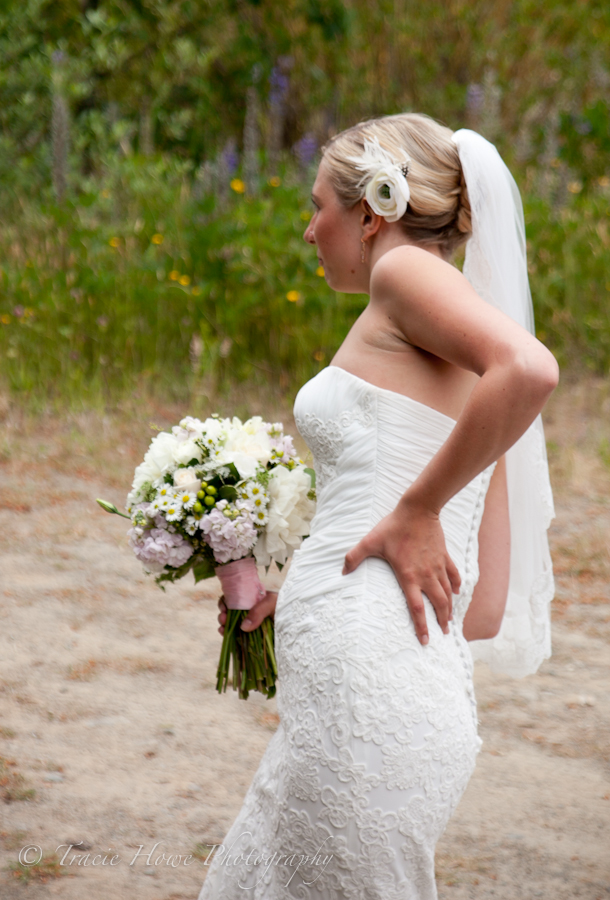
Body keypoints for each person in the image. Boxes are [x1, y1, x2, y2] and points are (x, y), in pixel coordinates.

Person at [197, 113, 558, 900]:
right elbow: (484, 607)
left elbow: (531, 368)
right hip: (410, 705)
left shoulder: (405, 272)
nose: (308, 228)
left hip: (365, 703)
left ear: (373, 211)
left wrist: (418, 509)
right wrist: (309, 592)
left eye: (317, 203)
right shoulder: (473, 400)